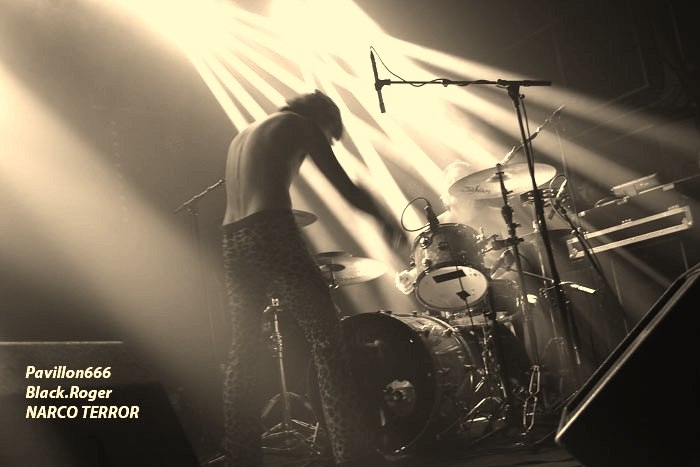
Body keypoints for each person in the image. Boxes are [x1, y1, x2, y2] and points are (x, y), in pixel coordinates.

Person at [221, 90, 404, 467]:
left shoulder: (245, 133)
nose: (328, 140)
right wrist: (384, 219)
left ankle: (240, 457)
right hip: (271, 229)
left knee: (243, 350)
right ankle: (353, 453)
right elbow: (344, 186)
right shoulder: (300, 125)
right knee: (327, 339)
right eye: (331, 133)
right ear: (323, 117)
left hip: (232, 237)